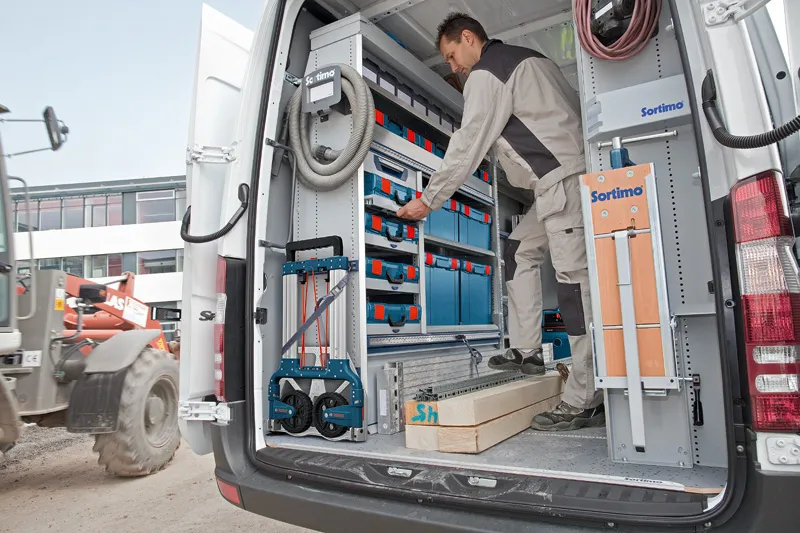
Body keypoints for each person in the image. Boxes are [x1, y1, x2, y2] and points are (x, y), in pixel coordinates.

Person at [396, 13, 604, 431]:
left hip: (561, 183)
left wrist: (428, 200)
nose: (454, 67)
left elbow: (468, 143)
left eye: (452, 55)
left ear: (468, 38)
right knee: (518, 250)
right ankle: (527, 351)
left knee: (574, 290)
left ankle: (585, 399)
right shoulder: (531, 59)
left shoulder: (487, 73)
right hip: (562, 182)